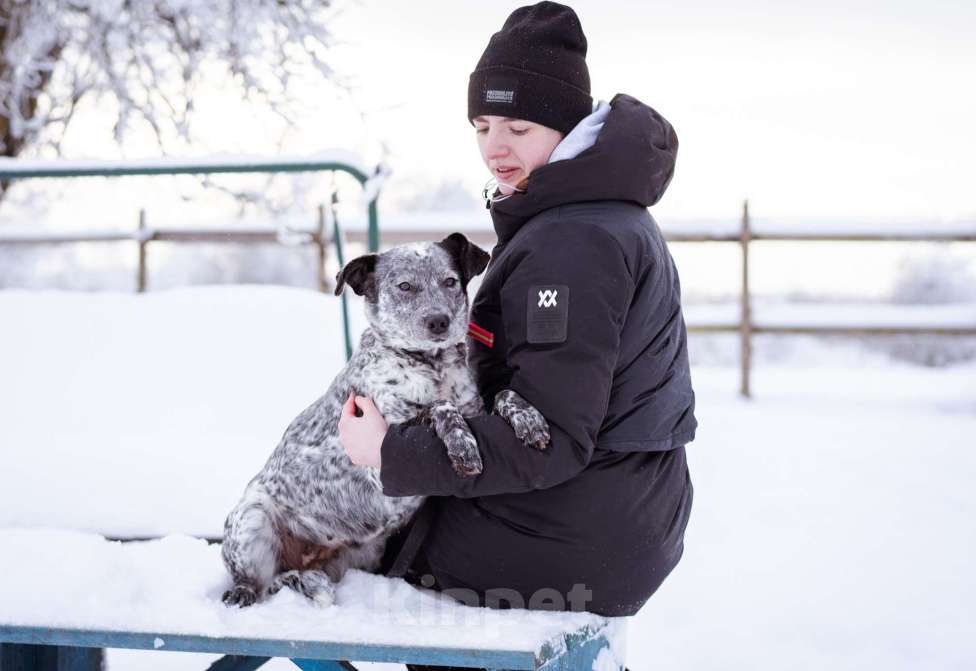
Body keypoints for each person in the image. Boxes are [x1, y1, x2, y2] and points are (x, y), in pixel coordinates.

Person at [339, 0, 696, 618]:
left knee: (367, 559)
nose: (495, 149)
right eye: (482, 126)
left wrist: (388, 452)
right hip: (620, 515)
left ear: (564, 126)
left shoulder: (571, 243)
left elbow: (549, 438)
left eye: (518, 128)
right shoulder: (599, 215)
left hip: (566, 536)